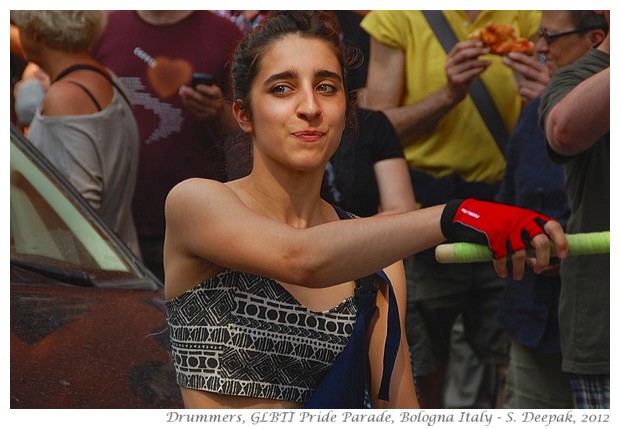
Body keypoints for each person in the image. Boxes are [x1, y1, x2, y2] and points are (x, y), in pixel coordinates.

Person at [162, 11, 567, 409]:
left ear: (346, 109)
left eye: (326, 87)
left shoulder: (378, 263)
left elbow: (398, 405)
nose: (310, 107)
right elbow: (299, 256)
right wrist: (458, 215)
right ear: (243, 114)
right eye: (282, 88)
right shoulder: (195, 201)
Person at [359, 10, 543, 408]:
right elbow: (376, 125)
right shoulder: (397, 16)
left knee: (514, 362)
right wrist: (448, 95)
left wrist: (547, 97)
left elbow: (544, 132)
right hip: (427, 217)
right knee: (420, 367)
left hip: (504, 209)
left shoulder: (528, 15)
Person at [496, 10, 608, 409]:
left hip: (588, 314)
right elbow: (510, 202)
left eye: (549, 37)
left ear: (597, 38)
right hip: (536, 313)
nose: (538, 48)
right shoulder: (539, 107)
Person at [92, 11, 243, 281]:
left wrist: (216, 111)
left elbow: (250, 125)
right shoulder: (105, 28)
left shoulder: (226, 35)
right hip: (114, 225)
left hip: (201, 227)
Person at [10, 10, 141, 257]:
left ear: (35, 33)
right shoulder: (105, 77)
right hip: (117, 257)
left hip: (80, 275)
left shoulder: (66, 98)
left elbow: (79, 209)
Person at [539, 10, 610, 410]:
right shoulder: (576, 76)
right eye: (539, 35)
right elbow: (564, 131)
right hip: (604, 323)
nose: (538, 48)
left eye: (549, 36)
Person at [321, 107, 415, 217]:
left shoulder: (373, 123)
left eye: (325, 88)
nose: (311, 108)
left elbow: (402, 211)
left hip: (373, 231)